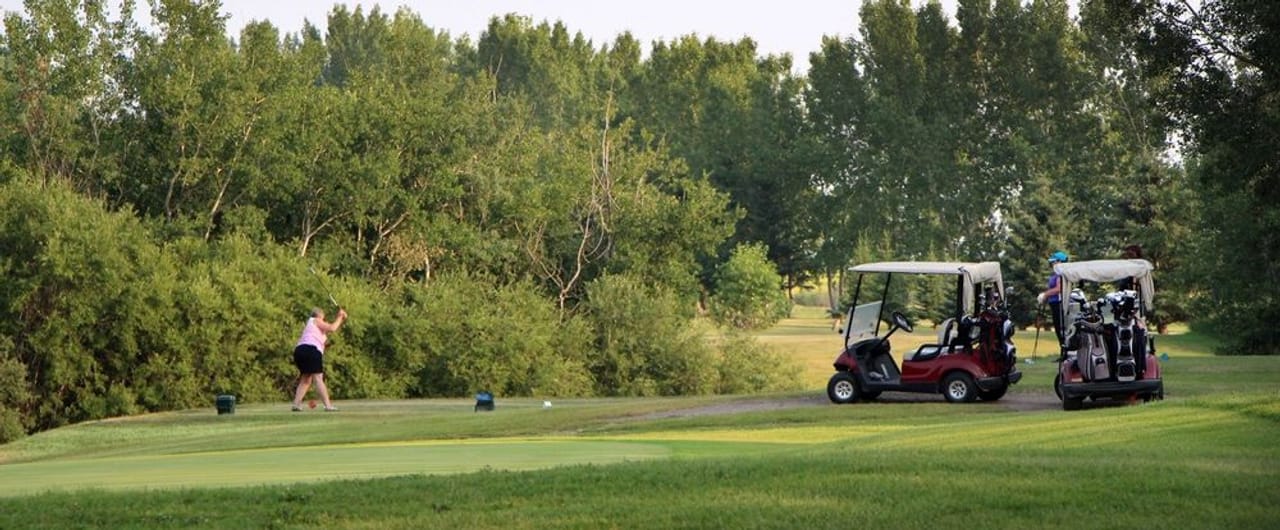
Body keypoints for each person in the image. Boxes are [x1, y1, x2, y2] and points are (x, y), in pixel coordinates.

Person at [292, 307, 347, 412]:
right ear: (319, 315)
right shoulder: (315, 320)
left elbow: (332, 330)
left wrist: (341, 320)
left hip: (300, 351)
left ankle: (296, 404)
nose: (324, 320)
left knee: (306, 379)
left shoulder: (313, 329)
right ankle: (328, 405)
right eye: (323, 318)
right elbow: (332, 328)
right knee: (318, 378)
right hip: (310, 349)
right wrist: (340, 316)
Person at [1037, 251, 1069, 347]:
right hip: (1054, 303)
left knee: (1061, 328)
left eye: (1054, 262)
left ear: (1060, 262)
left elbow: (1059, 289)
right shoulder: (1055, 274)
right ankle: (1062, 352)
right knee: (1057, 328)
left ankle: (1065, 352)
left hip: (1059, 304)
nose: (1052, 264)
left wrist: (1045, 294)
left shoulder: (1061, 274)